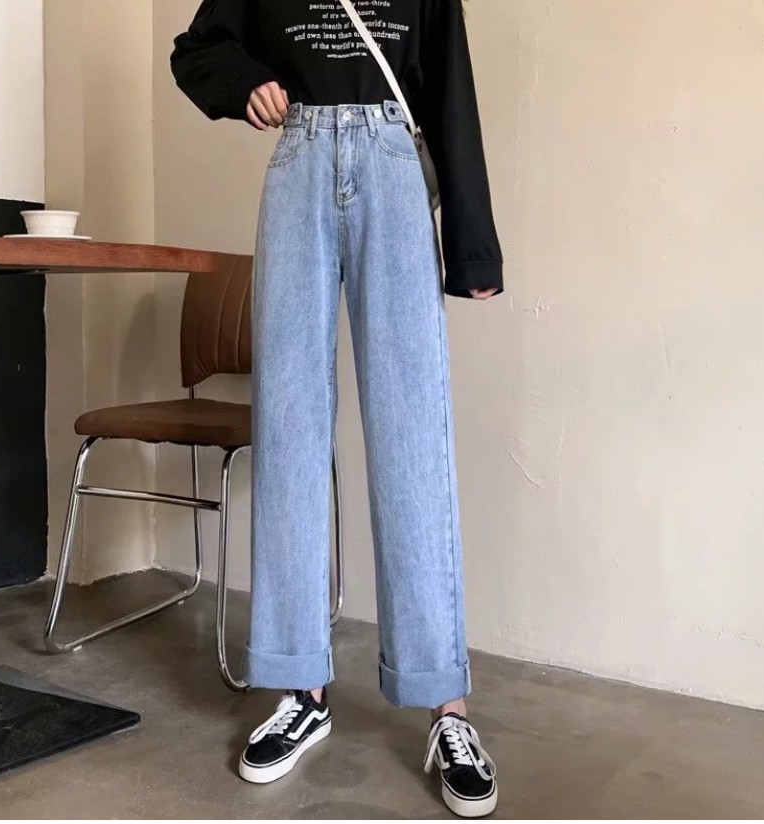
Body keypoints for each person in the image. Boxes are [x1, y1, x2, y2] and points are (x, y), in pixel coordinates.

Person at [171, 0, 502, 817]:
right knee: (287, 430)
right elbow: (196, 50)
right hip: (300, 162)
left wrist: (472, 248)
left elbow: (449, 88)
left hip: (392, 163)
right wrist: (245, 83)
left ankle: (447, 709)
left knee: (413, 438)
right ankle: (300, 688)